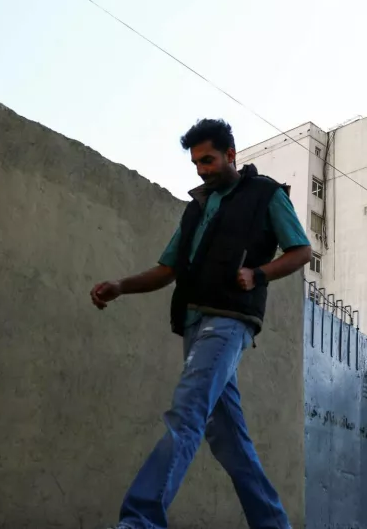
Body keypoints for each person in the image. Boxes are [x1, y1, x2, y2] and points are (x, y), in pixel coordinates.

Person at [90, 118, 311, 529]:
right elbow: (167, 268)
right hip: (193, 324)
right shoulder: (197, 207)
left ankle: (139, 521)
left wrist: (259, 274)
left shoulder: (266, 195)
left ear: (230, 154)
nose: (202, 170)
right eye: (195, 164)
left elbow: (301, 251)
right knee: (230, 443)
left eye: (208, 160)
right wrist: (120, 286)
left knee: (187, 412)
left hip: (229, 321)